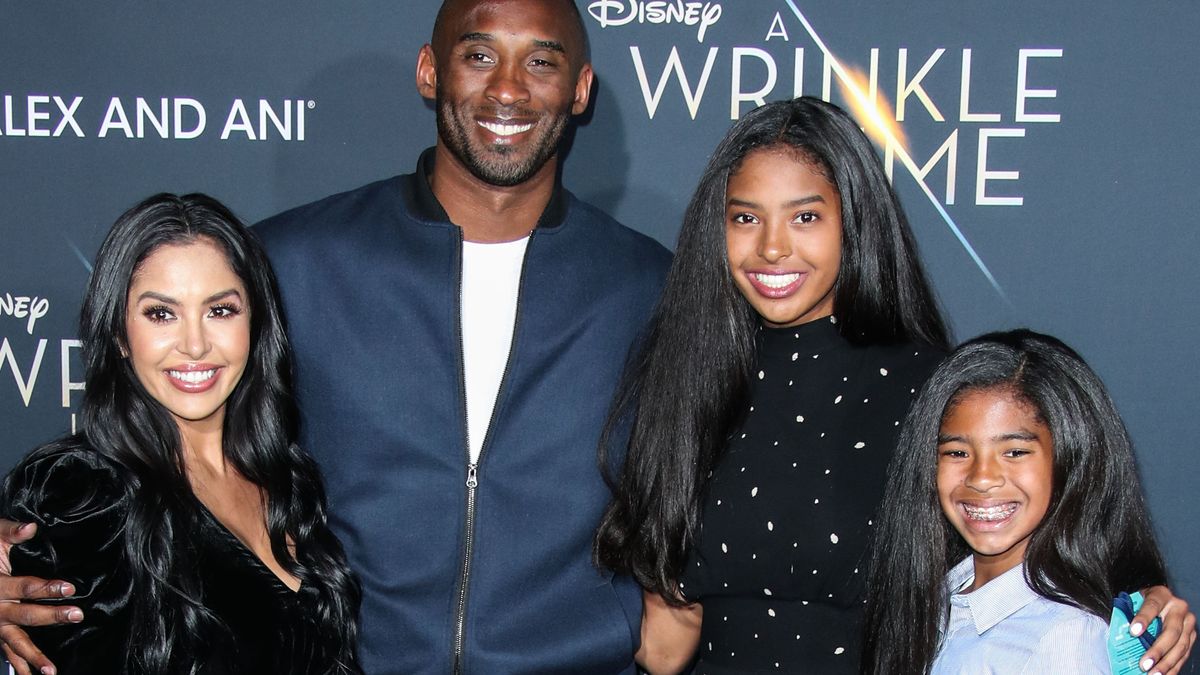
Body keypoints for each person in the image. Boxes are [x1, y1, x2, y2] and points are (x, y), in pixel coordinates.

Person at [0, 1, 671, 674]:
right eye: (478, 55)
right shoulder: (288, 262)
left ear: (580, 88)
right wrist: (24, 545)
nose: (507, 87)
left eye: (542, 61)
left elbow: (710, 485)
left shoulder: (649, 288)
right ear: (429, 71)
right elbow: (149, 438)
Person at [592, 97, 1193, 674]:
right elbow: (666, 649)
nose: (772, 248)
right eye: (745, 218)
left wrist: (1140, 603)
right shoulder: (685, 383)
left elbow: (1038, 528)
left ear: (853, 220)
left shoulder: (930, 388)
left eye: (806, 217)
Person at [0, 193, 361, 673]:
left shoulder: (288, 481)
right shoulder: (84, 493)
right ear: (119, 335)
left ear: (255, 323)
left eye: (220, 310)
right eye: (161, 314)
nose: (194, 344)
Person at [862, 330, 1193, 674]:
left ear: (1071, 460)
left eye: (1015, 452)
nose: (982, 478)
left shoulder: (1065, 636)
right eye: (957, 453)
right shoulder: (932, 598)